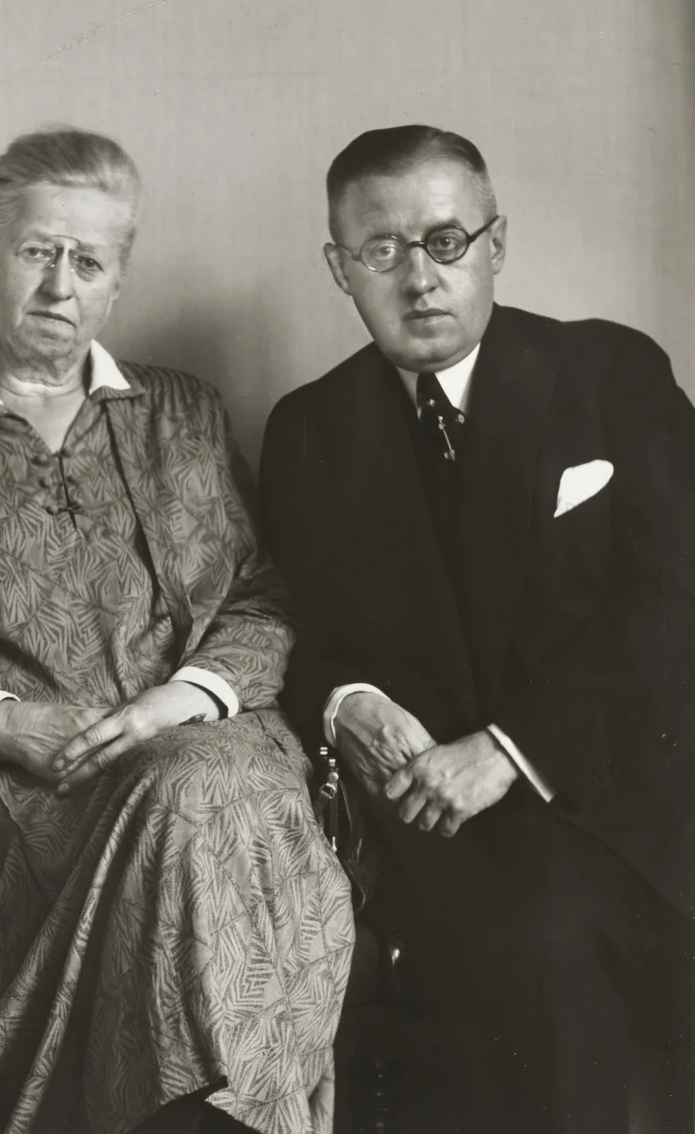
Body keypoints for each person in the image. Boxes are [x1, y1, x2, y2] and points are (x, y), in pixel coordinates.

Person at [0, 127, 354, 1134]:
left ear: (116, 283)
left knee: (200, 787)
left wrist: (173, 704)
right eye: (37, 251)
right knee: (192, 805)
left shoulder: (182, 417)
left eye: (88, 261)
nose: (60, 284)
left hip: (200, 760)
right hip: (14, 814)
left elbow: (262, 601)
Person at [259, 124, 695, 1133]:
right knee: (528, 942)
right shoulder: (309, 432)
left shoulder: (610, 375)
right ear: (340, 268)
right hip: (441, 830)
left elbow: (678, 597)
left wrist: (508, 750)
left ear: (496, 244)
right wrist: (345, 701)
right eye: (383, 251)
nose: (419, 278)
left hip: (633, 784)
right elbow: (293, 629)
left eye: (446, 241)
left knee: (560, 938)